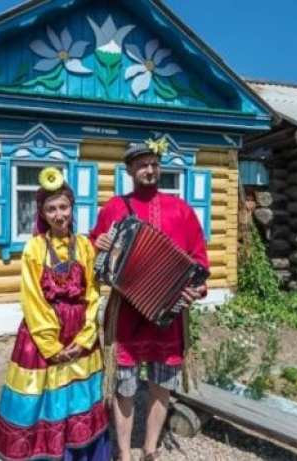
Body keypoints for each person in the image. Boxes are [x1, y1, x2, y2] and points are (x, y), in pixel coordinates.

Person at [90, 141, 208, 461]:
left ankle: (150, 449)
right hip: (125, 314)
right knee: (124, 385)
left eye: (154, 163)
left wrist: (196, 289)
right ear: (129, 170)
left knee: (161, 383)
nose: (150, 170)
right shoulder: (114, 208)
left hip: (167, 314)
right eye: (142, 164)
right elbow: (94, 246)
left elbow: (199, 260)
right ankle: (124, 453)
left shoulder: (181, 209)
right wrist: (98, 244)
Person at [0, 167, 110, 461]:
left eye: (64, 207)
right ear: (42, 214)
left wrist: (85, 339)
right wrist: (51, 345)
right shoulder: (34, 248)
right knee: (44, 399)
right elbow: (32, 298)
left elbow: (93, 294)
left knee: (79, 397)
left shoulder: (85, 247)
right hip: (44, 337)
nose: (59, 215)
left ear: (72, 208)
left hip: (80, 336)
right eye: (51, 209)